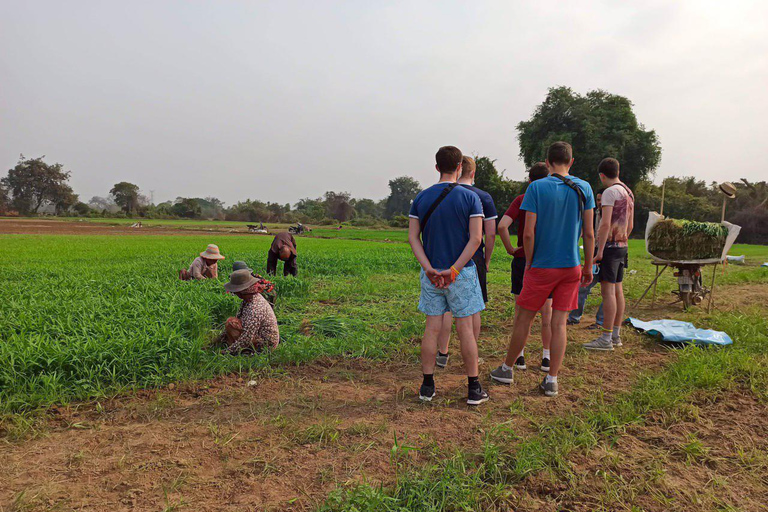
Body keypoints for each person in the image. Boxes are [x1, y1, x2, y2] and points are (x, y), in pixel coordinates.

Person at [490, 141, 595, 397]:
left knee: (523, 319)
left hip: (541, 266)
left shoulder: (537, 187)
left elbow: (527, 233)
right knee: (559, 324)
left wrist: (529, 262)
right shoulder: (585, 188)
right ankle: (552, 380)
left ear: (548, 163)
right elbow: (589, 233)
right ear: (571, 162)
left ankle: (507, 369)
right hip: (571, 266)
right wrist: (588, 266)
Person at [408, 146, 489, 406]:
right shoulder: (470, 198)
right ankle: (474, 389)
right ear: (460, 168)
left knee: (432, 329)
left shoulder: (421, 198)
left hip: (431, 274)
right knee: (465, 329)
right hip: (461, 274)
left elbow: (413, 237)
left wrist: (429, 267)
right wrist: (454, 270)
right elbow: (477, 238)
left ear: (436, 167)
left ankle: (427, 386)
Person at [435, 155, 497, 369]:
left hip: (443, 257)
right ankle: (472, 354)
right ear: (472, 172)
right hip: (472, 259)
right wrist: (486, 260)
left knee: (444, 308)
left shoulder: (438, 193)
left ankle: (442, 353)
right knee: (473, 308)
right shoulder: (482, 197)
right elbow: (489, 235)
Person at [497, 162, 552, 372]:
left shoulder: (522, 199)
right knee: (546, 313)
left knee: (521, 312)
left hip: (522, 259)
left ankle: (519, 356)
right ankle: (546, 357)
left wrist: (511, 248)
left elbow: (502, 226)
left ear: (529, 180)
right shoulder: (552, 200)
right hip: (546, 260)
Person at [584, 158, 634, 351]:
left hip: (610, 248)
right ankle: (615, 335)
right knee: (618, 290)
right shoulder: (628, 192)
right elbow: (630, 225)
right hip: (622, 246)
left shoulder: (609, 193)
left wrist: (600, 250)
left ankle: (605, 338)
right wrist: (623, 239)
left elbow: (604, 224)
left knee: (608, 293)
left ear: (602, 175)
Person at [217, 269, 279, 354]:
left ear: (239, 292)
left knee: (231, 323)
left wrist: (227, 352)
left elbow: (247, 337)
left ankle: (244, 351)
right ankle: (237, 347)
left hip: (265, 345)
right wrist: (220, 339)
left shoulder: (255, 308)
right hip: (256, 335)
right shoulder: (248, 300)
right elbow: (240, 318)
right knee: (232, 322)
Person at [568, 192, 605, 328]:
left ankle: (601, 321)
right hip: (595, 254)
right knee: (583, 286)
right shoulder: (594, 212)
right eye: (598, 199)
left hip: (608, 253)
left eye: (602, 199)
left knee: (607, 291)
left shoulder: (613, 214)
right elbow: (588, 233)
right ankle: (574, 317)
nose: (600, 202)